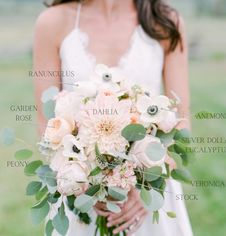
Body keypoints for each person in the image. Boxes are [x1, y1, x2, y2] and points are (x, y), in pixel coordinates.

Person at [34, 0, 193, 235]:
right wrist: (88, 188)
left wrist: (149, 186)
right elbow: (47, 123)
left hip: (149, 194)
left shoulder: (166, 22)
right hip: (81, 195)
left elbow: (181, 121)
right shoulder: (53, 22)